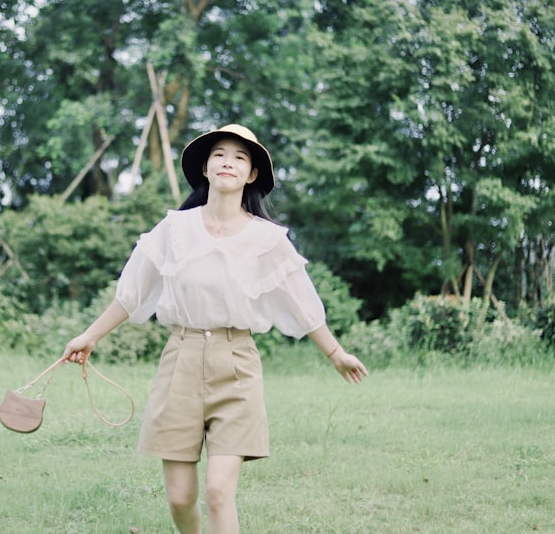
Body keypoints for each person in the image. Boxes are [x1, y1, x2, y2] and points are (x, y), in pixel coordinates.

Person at [63, 123, 368, 534]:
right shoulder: (174, 229)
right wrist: (90, 335)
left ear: (252, 174)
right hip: (180, 361)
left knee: (219, 492)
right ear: (205, 168)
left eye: (241, 157)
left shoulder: (268, 239)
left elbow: (302, 301)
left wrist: (335, 353)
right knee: (180, 497)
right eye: (220, 154)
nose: (229, 162)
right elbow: (132, 294)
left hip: (237, 364)